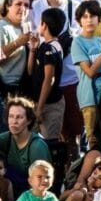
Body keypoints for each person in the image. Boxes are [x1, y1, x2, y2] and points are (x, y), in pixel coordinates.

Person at [30, 0, 83, 147]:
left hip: (70, 79)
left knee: (74, 133)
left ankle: (72, 171)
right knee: (45, 135)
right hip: (44, 81)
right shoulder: (35, 7)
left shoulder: (77, 7)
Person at [0, 96, 53, 196]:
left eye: (19, 117)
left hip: (31, 195)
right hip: (12, 191)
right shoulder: (7, 137)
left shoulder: (36, 146)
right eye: (11, 116)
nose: (14, 121)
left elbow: (41, 184)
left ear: (29, 121)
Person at [0, 0, 34, 134]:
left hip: (19, 91)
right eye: (18, 4)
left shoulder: (25, 27)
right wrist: (18, 43)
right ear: (8, 6)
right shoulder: (0, 27)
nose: (22, 8)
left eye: (26, 5)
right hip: (0, 92)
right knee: (4, 137)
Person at [71, 0, 101, 147]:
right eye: (85, 16)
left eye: (92, 16)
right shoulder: (77, 42)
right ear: (79, 20)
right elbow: (90, 72)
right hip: (89, 98)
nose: (89, 20)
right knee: (92, 141)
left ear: (99, 19)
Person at [27, 9, 67, 147]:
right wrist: (33, 49)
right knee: (30, 141)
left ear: (44, 25)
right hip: (38, 102)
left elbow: (49, 79)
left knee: (50, 144)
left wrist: (40, 108)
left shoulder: (51, 48)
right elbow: (30, 71)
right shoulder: (44, 46)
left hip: (50, 104)